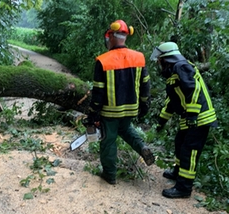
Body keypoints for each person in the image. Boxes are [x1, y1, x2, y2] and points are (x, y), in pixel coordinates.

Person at [87, 19, 155, 185]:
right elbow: (146, 85)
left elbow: (98, 91)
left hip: (110, 111)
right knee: (125, 129)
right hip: (131, 108)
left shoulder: (103, 60)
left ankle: (110, 174)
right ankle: (142, 147)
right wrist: (145, 104)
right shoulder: (139, 57)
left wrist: (93, 113)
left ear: (110, 37)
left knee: (108, 140)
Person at [150, 42, 217, 198]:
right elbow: (171, 103)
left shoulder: (182, 67)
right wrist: (161, 122)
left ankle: (184, 188)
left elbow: (194, 90)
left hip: (199, 118)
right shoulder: (174, 73)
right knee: (179, 143)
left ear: (167, 58)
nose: (159, 63)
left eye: (160, 59)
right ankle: (178, 173)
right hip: (190, 119)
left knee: (189, 151)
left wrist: (193, 115)